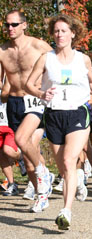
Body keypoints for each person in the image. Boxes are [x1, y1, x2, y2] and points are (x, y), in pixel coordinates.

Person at [25, 14, 92, 229]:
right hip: (54, 114)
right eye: (56, 31)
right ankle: (76, 177)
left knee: (69, 160)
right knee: (63, 167)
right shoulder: (46, 58)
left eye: (63, 30)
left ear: (73, 34)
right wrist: (41, 94)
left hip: (77, 113)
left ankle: (66, 211)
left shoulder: (83, 59)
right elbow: (28, 85)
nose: (59, 34)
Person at [0, 10, 54, 211]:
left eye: (14, 24)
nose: (10, 29)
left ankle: (43, 175)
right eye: (7, 25)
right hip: (14, 104)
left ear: (24, 25)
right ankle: (42, 191)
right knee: (27, 156)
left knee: (25, 141)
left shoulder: (38, 46)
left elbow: (58, 64)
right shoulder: (2, 51)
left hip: (35, 101)